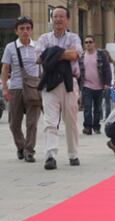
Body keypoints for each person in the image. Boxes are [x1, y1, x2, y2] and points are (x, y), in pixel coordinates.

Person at [36, 6, 83, 170]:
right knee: (50, 121)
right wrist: (62, 54)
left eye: (61, 16)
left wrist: (52, 53)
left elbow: (74, 54)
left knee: (70, 120)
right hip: (49, 83)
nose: (58, 19)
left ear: (67, 19)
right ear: (51, 19)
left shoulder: (74, 37)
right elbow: (38, 58)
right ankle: (50, 155)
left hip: (69, 82)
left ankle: (73, 154)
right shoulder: (43, 37)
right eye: (55, 16)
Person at [1, 16, 42, 163]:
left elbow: (41, 68)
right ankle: (21, 146)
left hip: (33, 88)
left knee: (32, 123)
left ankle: (29, 151)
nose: (25, 31)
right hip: (16, 88)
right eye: (22, 29)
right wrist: (5, 88)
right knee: (14, 123)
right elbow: (5, 68)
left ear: (31, 30)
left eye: (28, 28)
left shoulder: (37, 46)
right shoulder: (10, 47)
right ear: (16, 31)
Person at [79, 35, 111, 135]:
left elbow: (107, 69)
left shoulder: (101, 55)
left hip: (99, 86)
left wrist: (107, 83)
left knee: (97, 108)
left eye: (90, 42)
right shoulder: (82, 56)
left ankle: (96, 126)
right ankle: (87, 127)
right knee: (87, 108)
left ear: (94, 43)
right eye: (86, 42)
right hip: (86, 86)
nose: (88, 44)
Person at [102, 49, 115, 119]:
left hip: (109, 85)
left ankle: (108, 116)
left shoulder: (110, 64)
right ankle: (101, 116)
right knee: (101, 102)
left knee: (107, 101)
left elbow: (112, 75)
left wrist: (111, 84)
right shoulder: (100, 63)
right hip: (101, 85)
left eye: (105, 55)